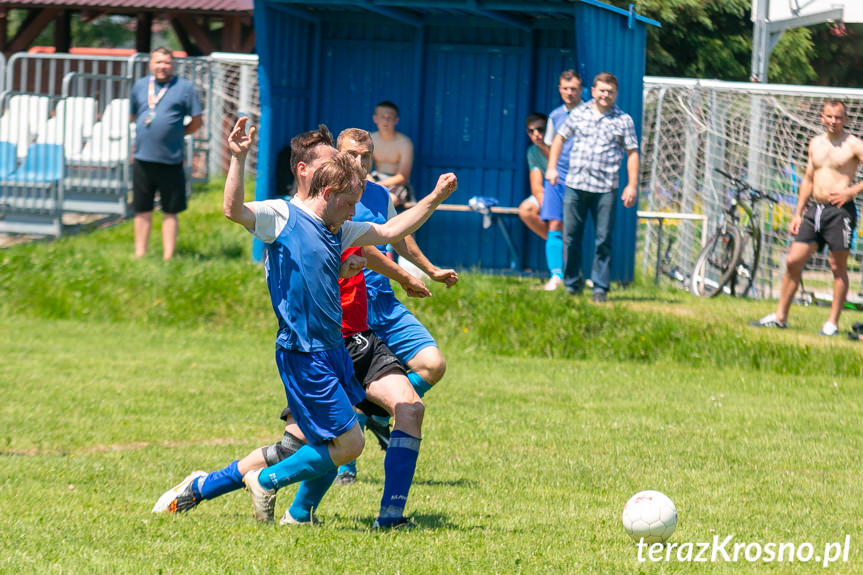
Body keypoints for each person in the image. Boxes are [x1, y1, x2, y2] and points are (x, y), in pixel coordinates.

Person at [222, 117, 456, 524]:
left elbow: (386, 233)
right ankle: (244, 486)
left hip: (345, 342)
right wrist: (239, 159)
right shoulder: (281, 215)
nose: (359, 172)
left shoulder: (340, 225)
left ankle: (376, 513)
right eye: (349, 160)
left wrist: (433, 198)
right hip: (306, 352)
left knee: (368, 427)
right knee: (327, 444)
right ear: (315, 175)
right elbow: (232, 210)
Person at [153, 243, 432, 530]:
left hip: (362, 340)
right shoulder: (304, 226)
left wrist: (409, 270)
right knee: (297, 447)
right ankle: (203, 487)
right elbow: (369, 243)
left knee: (409, 409)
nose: (354, 201)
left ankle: (388, 519)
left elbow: (374, 243)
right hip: (319, 350)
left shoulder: (354, 211)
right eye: (351, 197)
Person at [334, 128, 458, 485]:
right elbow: (368, 250)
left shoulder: (378, 193)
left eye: (365, 156)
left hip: (382, 301)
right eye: (351, 155)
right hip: (348, 307)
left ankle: (376, 411)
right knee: (347, 384)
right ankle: (345, 467)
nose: (359, 163)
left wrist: (430, 270)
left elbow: (397, 234)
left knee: (433, 364)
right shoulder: (331, 196)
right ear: (338, 155)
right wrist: (405, 278)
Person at [752, 100, 863, 336]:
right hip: (815, 210)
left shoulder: (853, 145)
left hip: (840, 212)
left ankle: (832, 323)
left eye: (838, 117)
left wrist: (849, 192)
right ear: (822, 118)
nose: (834, 121)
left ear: (845, 119)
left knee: (837, 266)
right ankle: (780, 317)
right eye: (829, 117)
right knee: (793, 260)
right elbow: (808, 179)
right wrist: (798, 213)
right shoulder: (815, 144)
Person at [546, 72, 639, 303]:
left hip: (605, 188)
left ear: (616, 94)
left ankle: (600, 287)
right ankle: (571, 284)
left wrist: (632, 185)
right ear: (594, 91)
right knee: (571, 237)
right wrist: (552, 167)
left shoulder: (624, 120)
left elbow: (632, 153)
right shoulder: (579, 113)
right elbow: (559, 138)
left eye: (610, 91)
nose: (605, 95)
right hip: (576, 185)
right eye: (602, 90)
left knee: (603, 239)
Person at [130, 47, 203, 260]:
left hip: (171, 160)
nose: (162, 66)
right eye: (158, 62)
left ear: (173, 65)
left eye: (167, 63)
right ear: (151, 64)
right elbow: (134, 115)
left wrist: (179, 133)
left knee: (170, 210)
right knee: (142, 209)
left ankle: (168, 257)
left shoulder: (185, 88)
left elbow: (197, 121)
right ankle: (139, 254)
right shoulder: (140, 86)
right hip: (142, 158)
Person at [539, 71, 583, 291]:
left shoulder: (588, 113)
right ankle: (556, 275)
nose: (569, 93)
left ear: (581, 90)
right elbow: (550, 148)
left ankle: (576, 274)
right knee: (554, 224)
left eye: (573, 89)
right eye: (565, 88)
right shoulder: (555, 116)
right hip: (559, 177)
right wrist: (551, 168)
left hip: (584, 179)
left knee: (576, 228)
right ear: (559, 89)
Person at [370, 101, 414, 208]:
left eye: (389, 117)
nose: (386, 120)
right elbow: (364, 169)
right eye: (382, 117)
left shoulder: (405, 143)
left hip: (396, 186)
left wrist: (379, 185)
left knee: (390, 199)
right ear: (375, 119)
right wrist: (371, 182)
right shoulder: (370, 139)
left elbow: (403, 176)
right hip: (375, 180)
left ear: (396, 120)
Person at [518, 113, 550, 241]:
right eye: (531, 131)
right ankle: (558, 243)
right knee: (526, 210)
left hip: (569, 193)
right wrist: (547, 206)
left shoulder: (560, 147)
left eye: (540, 129)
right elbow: (536, 186)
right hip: (550, 194)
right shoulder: (533, 152)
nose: (536, 134)